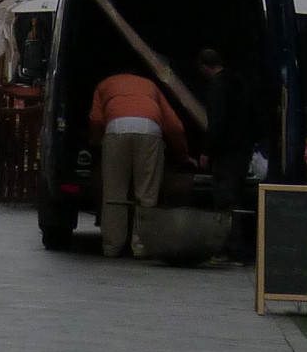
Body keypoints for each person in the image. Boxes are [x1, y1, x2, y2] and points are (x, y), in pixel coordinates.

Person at [88, 68, 189, 260]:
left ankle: (112, 246)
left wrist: (97, 142)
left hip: (116, 129)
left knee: (114, 193)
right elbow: (174, 125)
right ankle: (141, 245)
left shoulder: (104, 84)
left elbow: (95, 120)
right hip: (150, 130)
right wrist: (183, 154)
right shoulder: (150, 86)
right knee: (147, 193)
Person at [195, 46, 258, 258]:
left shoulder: (217, 87)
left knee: (224, 197)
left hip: (226, 150)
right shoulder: (238, 83)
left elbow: (217, 123)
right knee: (235, 195)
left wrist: (207, 151)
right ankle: (236, 244)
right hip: (243, 147)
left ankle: (229, 247)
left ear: (204, 67)